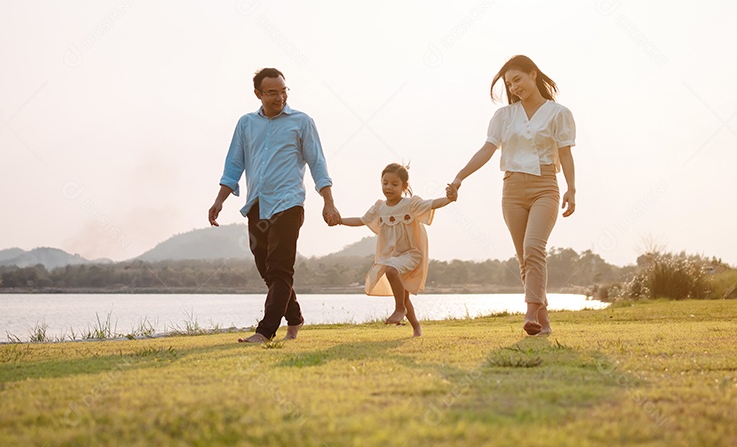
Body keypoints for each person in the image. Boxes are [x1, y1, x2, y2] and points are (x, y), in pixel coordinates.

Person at [446, 55, 576, 336]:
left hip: (545, 186)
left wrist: (571, 189)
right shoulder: (503, 116)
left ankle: (529, 312)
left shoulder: (559, 113)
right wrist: (460, 177)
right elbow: (486, 150)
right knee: (524, 257)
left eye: (518, 79)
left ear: (533, 74)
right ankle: (543, 323)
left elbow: (565, 153)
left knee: (534, 248)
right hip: (512, 189)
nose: (514, 87)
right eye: (509, 84)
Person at [208, 68, 340, 343]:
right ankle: (295, 317)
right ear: (258, 93)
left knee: (280, 268)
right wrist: (220, 199)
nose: (279, 97)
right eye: (272, 93)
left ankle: (265, 331)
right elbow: (234, 164)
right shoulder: (246, 124)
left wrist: (328, 202)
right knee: (266, 269)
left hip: (290, 203)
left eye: (283, 91)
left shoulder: (302, 122)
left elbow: (317, 163)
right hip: (257, 204)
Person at [337, 163, 453, 337]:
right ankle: (416, 328)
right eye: (385, 183)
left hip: (411, 254)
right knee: (404, 296)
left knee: (391, 271)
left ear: (404, 186)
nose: (388, 187)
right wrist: (339, 220)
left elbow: (432, 204)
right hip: (393, 256)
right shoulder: (379, 207)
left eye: (394, 184)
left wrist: (449, 198)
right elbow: (361, 220)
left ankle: (399, 309)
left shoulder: (411, 204)